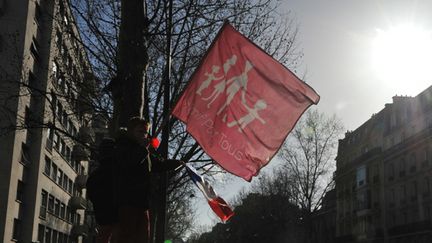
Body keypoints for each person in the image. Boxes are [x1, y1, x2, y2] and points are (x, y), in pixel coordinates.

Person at [114, 117, 182, 243]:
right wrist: (142, 150)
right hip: (127, 201)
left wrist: (178, 163)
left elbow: (158, 165)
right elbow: (128, 164)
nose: (144, 135)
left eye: (145, 132)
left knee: (143, 237)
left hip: (142, 201)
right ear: (131, 132)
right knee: (126, 237)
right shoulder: (122, 146)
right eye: (140, 132)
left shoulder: (144, 151)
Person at [86, 138, 118, 243]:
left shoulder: (95, 175)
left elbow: (91, 193)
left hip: (102, 215)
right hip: (117, 214)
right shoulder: (118, 173)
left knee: (103, 237)